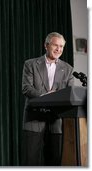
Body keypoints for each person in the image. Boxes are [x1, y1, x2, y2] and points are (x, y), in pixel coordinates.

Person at [21, 32, 74, 166]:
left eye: (61, 46)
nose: (59, 49)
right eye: (56, 45)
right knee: (30, 161)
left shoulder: (68, 69)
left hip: (56, 121)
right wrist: (46, 97)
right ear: (46, 45)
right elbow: (26, 88)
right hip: (34, 117)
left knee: (54, 161)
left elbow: (70, 93)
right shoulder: (30, 64)